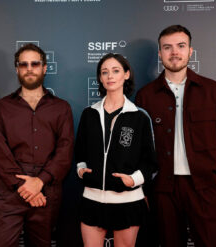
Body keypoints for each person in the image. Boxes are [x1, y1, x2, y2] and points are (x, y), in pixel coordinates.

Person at [135, 25, 216, 247]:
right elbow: (138, 148)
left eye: (181, 46)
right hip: (163, 190)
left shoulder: (212, 90)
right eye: (167, 47)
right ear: (160, 54)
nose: (174, 52)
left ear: (190, 51)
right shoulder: (146, 96)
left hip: (205, 187)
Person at [0, 43, 74, 247]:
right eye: (24, 64)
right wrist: (25, 186)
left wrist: (40, 182)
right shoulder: (1, 107)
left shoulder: (61, 108)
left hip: (46, 192)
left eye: (35, 64)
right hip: (9, 191)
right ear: (17, 69)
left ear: (44, 68)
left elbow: (65, 151)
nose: (29, 68)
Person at [75, 53, 157, 247]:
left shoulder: (139, 117)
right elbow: (79, 154)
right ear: (100, 78)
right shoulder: (89, 114)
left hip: (127, 202)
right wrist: (81, 170)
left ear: (126, 75)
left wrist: (133, 180)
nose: (110, 76)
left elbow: (150, 162)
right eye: (104, 72)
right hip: (92, 200)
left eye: (116, 70)